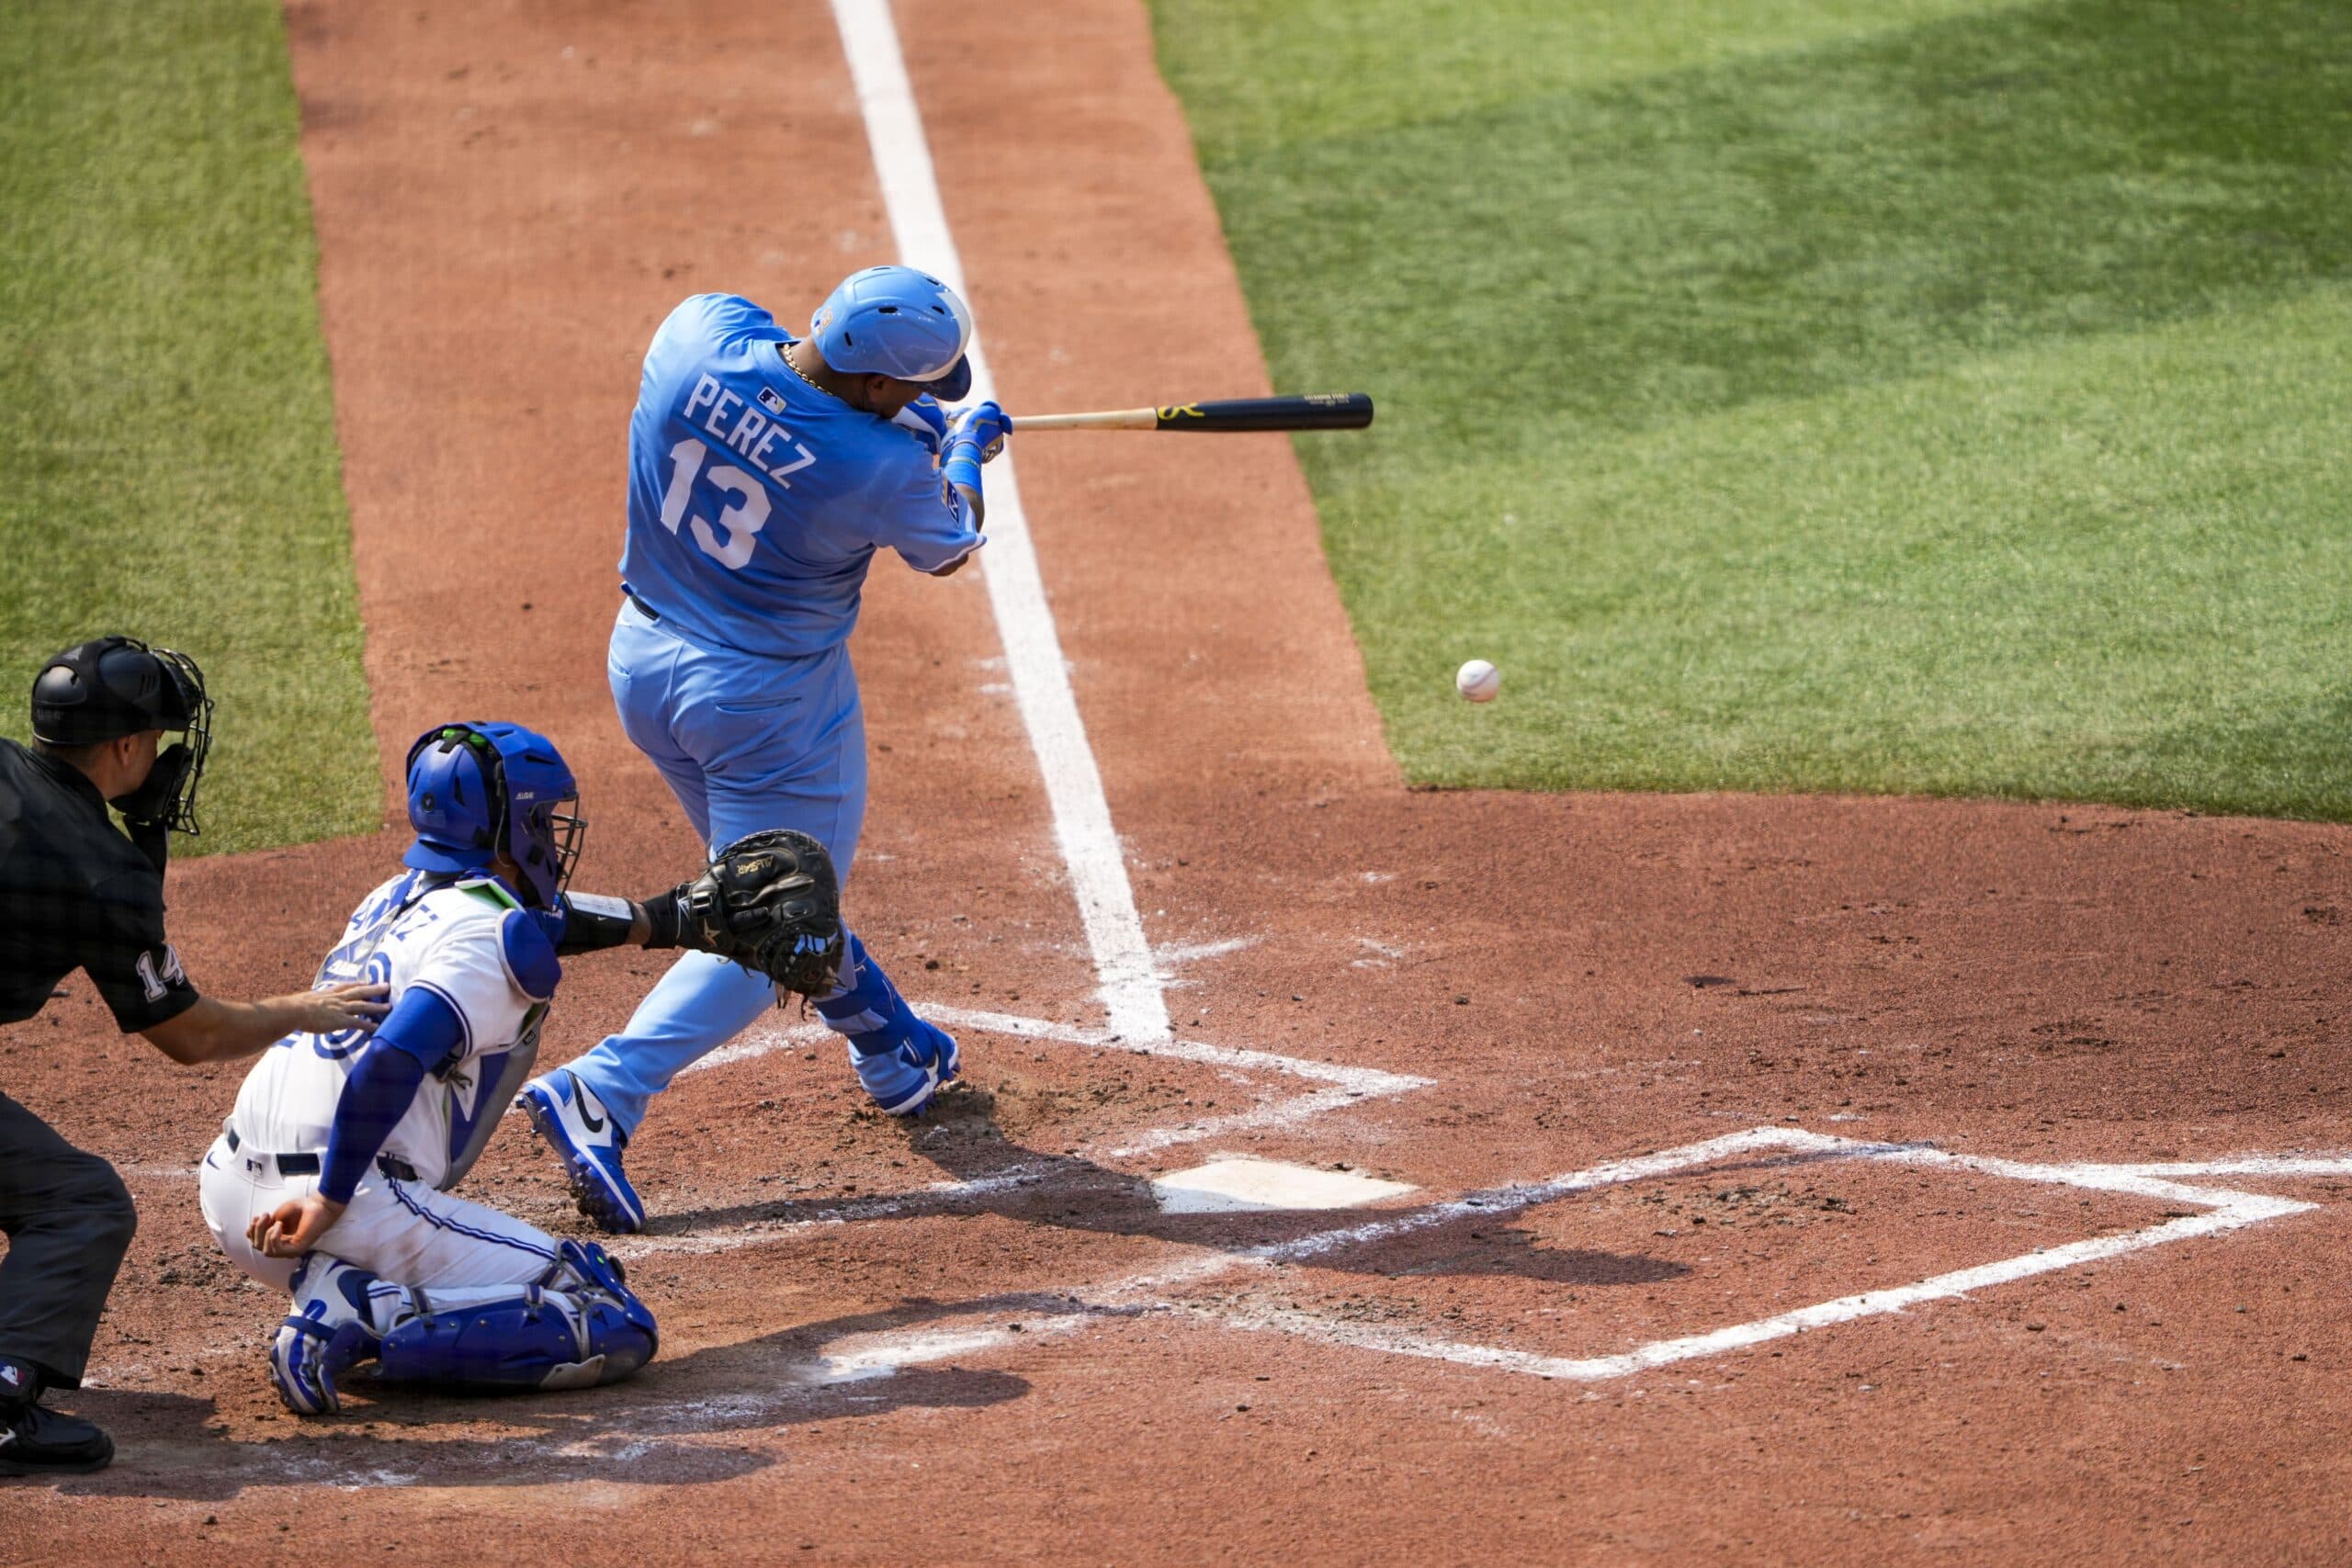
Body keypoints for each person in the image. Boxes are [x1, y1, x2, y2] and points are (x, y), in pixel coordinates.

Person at [516, 265, 1012, 1235]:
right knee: (768, 923)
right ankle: (601, 1091)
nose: (922, 401)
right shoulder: (881, 467)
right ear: (876, 387)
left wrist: (902, 433)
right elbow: (951, 543)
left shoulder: (693, 333)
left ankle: (891, 1052)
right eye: (914, 387)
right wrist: (962, 452)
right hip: (763, 711)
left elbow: (779, 387)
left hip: (644, 666)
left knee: (775, 890)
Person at [202, 721, 842, 1416]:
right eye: (540, 818)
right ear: (509, 827)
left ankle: (347, 1284)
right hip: (338, 1203)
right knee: (605, 1313)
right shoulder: (485, 938)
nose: (551, 834)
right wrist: (330, 1200)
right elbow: (393, 1056)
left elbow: (536, 928)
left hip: (235, 1194)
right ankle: (361, 1308)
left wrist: (664, 922)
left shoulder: (394, 896)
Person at [0, 637, 389, 1476]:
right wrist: (308, 1009)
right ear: (127, 747)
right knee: (80, 1203)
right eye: (161, 739)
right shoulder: (97, 869)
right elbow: (189, 1034)